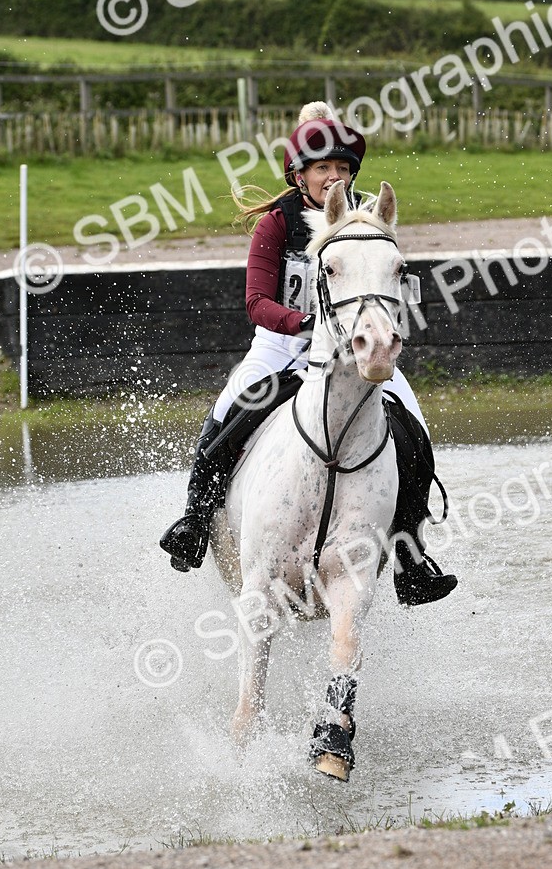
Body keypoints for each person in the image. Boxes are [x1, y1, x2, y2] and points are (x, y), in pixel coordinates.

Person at [160, 102, 458, 607]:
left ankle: (411, 554)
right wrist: (307, 324)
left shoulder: (364, 217)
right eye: (324, 168)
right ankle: (194, 518)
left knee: (413, 427)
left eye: (343, 168)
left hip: (353, 350)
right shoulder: (277, 224)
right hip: (281, 346)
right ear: (300, 175)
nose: (334, 177)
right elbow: (256, 303)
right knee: (228, 412)